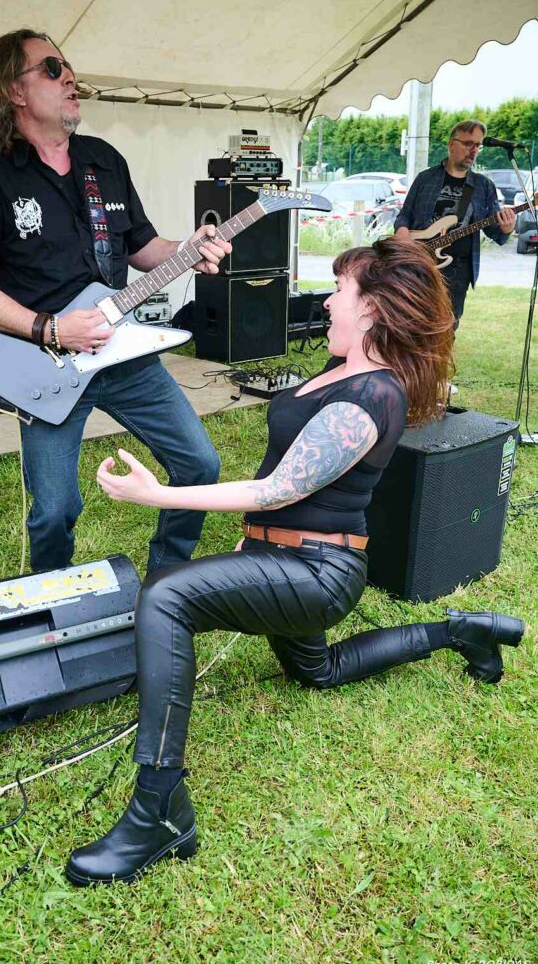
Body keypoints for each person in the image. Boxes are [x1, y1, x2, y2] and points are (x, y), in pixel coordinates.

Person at [65, 237, 524, 887]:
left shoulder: (373, 397)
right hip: (282, 560)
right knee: (321, 670)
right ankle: (460, 632)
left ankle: (158, 811)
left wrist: (155, 494)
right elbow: (281, 475)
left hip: (316, 576)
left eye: (340, 289)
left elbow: (278, 489)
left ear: (370, 309)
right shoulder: (339, 367)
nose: (329, 300)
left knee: (165, 596)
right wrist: (251, 545)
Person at [0, 29, 230, 574]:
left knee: (199, 463)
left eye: (68, 65)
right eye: (51, 69)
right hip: (46, 363)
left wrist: (189, 249)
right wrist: (51, 329)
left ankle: (165, 582)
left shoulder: (104, 160)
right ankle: (52, 596)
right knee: (54, 510)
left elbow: (144, 249)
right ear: (15, 91)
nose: (69, 75)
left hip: (124, 355)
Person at [394, 119, 516, 330]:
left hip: (458, 270)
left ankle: (437, 363)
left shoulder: (483, 186)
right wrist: (402, 232)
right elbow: (404, 215)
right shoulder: (425, 178)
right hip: (419, 263)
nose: (474, 150)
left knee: (446, 327)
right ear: (452, 145)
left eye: (478, 145)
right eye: (468, 143)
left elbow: (494, 231)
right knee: (411, 321)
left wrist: (506, 228)